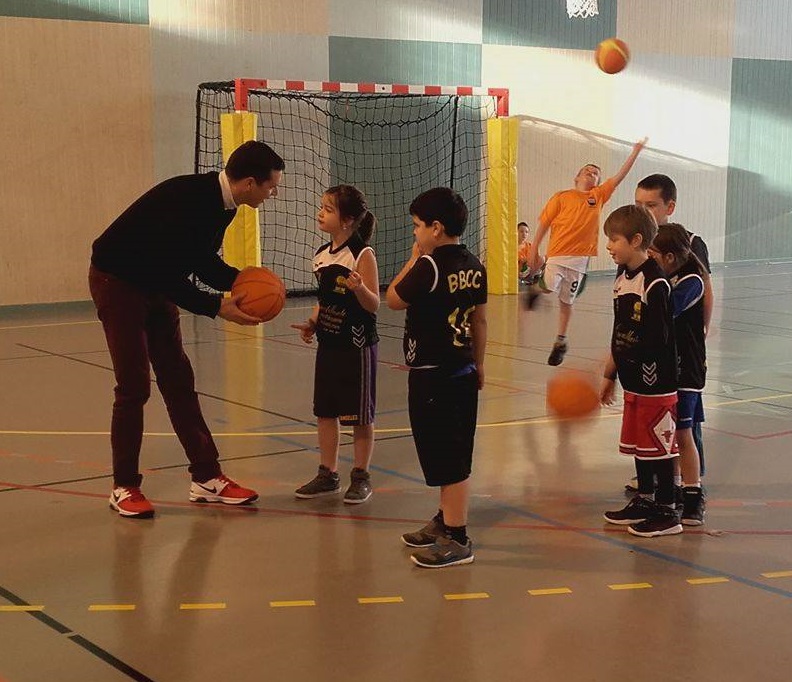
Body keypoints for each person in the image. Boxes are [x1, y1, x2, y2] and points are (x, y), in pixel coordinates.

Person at [89, 140, 285, 518]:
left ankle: (206, 477)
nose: (273, 194)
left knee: (178, 379)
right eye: (271, 186)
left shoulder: (225, 203)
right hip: (119, 282)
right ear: (248, 183)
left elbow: (196, 259)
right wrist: (216, 306)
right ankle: (124, 486)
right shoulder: (189, 199)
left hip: (155, 279)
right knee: (134, 386)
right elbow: (165, 269)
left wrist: (241, 279)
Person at [386, 187, 487, 567]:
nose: (414, 233)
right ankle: (445, 521)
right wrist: (481, 363)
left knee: (450, 458)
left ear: (436, 227)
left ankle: (458, 538)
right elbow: (480, 319)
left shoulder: (429, 265)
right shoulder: (474, 263)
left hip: (434, 373)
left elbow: (394, 299)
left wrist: (413, 260)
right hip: (461, 369)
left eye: (416, 226)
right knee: (450, 452)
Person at [291, 185, 380, 504]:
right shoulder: (320, 255)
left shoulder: (361, 254)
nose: (320, 212)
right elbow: (323, 299)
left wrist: (359, 289)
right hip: (328, 346)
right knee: (325, 413)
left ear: (347, 220)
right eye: (322, 206)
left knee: (359, 416)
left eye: (328, 209)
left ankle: (361, 475)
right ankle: (328, 473)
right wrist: (313, 323)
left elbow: (374, 305)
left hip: (357, 347)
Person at [526, 139, 647, 365]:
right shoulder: (562, 197)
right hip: (558, 253)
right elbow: (544, 223)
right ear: (577, 177)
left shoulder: (597, 196)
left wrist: (635, 152)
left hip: (580, 260)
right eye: (588, 171)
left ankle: (560, 341)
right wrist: (534, 249)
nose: (592, 174)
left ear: (598, 182)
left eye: (596, 173)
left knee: (567, 302)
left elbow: (619, 177)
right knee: (549, 287)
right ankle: (536, 289)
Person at [600, 205, 682, 537]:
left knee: (659, 445)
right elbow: (620, 330)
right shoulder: (622, 279)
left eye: (613, 240)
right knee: (640, 445)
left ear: (636, 241)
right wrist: (611, 373)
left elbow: (660, 337)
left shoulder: (654, 281)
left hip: (656, 379)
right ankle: (645, 499)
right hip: (633, 377)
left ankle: (668, 509)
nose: (608, 246)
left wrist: (645, 367)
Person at [634, 173, 712, 482]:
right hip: (659, 350)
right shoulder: (639, 243)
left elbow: (704, 287)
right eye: (638, 204)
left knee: (685, 420)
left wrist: (702, 334)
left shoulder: (689, 245)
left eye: (650, 205)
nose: (643, 211)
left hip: (685, 348)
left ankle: (691, 481)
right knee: (660, 413)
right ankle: (658, 476)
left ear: (670, 206)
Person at [648, 223, 707, 525]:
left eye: (652, 253)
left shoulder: (691, 281)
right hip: (670, 368)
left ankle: (694, 495)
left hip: (688, 369)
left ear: (669, 256)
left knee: (683, 433)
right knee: (666, 434)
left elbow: (664, 311)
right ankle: (670, 492)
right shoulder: (667, 276)